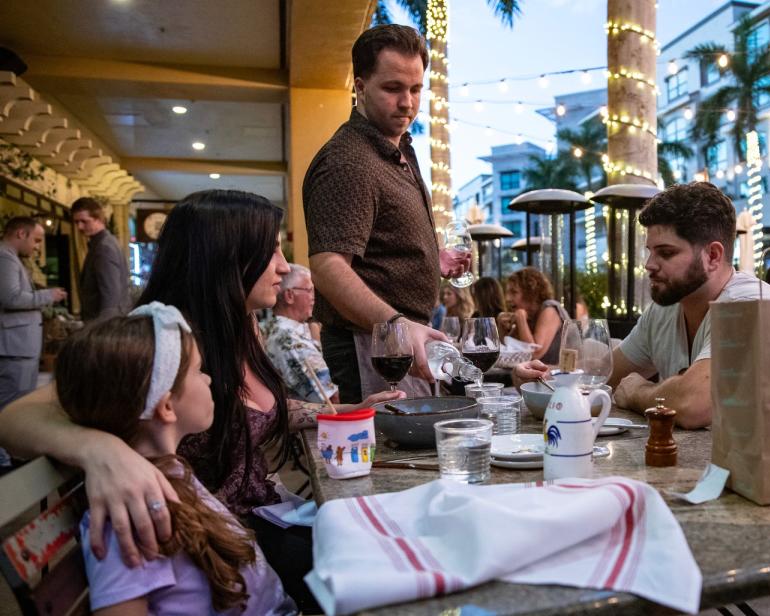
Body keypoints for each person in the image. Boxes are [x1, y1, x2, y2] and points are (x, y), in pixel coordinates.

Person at [0, 190, 400, 611]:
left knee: (379, 532)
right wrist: (99, 449)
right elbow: (13, 419)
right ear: (227, 258)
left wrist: (338, 412)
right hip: (217, 555)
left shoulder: (242, 325)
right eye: (271, 251)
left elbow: (255, 412)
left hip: (255, 528)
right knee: (379, 555)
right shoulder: (160, 341)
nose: (283, 267)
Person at [59, 304, 296, 615]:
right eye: (199, 370)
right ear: (166, 405)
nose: (210, 380)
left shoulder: (172, 473)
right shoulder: (132, 512)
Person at [514, 182, 770, 428]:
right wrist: (540, 377)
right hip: (695, 470)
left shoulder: (752, 303)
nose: (649, 265)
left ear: (712, 255)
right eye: (650, 251)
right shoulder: (664, 310)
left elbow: (694, 404)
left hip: (767, 476)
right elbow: (606, 376)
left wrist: (639, 394)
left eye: (666, 253)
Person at [304, 24, 469, 404]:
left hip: (395, 341)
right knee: (384, 460)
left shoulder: (395, 148)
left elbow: (378, 244)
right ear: (360, 87)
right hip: (370, 347)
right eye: (393, 88)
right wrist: (395, 326)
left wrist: (430, 258)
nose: (408, 103)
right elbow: (328, 266)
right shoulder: (349, 161)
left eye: (415, 89)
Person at [0, 217, 67, 409]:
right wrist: (48, 295)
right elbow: (11, 298)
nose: (37, 247)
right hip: (14, 347)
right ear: (21, 233)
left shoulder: (10, 256)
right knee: (12, 407)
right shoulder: (5, 256)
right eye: (36, 240)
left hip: (18, 347)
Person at [261, 264, 339, 405]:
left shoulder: (276, 328)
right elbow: (331, 398)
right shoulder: (289, 339)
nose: (313, 298)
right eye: (309, 290)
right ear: (289, 295)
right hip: (313, 423)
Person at [71, 197, 130, 322]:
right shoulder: (103, 244)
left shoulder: (104, 248)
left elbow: (111, 296)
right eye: (76, 222)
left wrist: (104, 333)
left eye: (84, 221)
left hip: (103, 326)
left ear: (98, 219)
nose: (79, 227)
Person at [499, 267, 569, 364]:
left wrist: (521, 320)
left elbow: (535, 353)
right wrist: (502, 329)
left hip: (562, 376)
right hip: (539, 375)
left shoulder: (550, 309)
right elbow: (509, 353)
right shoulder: (529, 314)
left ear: (531, 292)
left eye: (514, 292)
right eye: (507, 293)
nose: (507, 299)